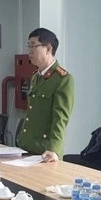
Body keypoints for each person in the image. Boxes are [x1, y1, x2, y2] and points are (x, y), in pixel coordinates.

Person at [17, 28, 75, 162]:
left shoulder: (63, 79)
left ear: (48, 49)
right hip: (26, 147)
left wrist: (54, 150)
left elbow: (60, 119)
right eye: (28, 46)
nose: (29, 50)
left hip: (45, 152)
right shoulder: (36, 77)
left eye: (33, 46)